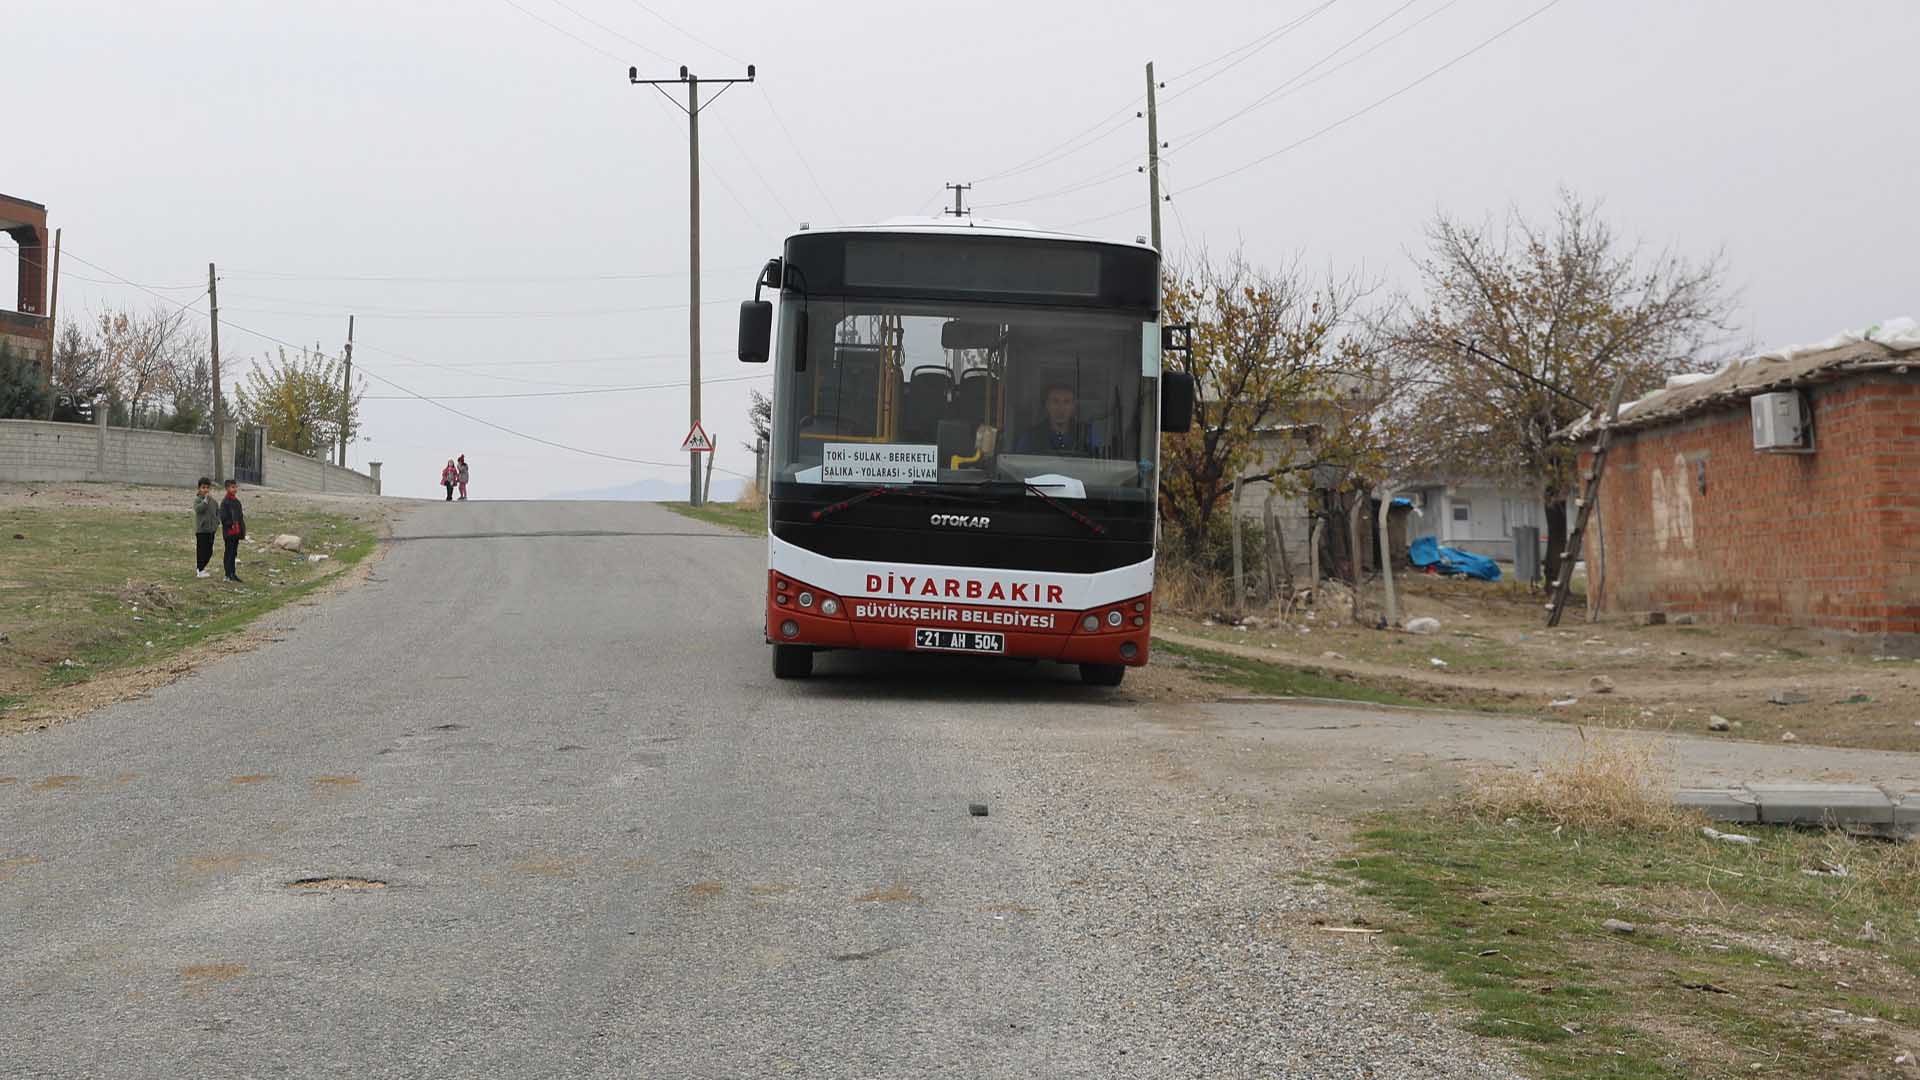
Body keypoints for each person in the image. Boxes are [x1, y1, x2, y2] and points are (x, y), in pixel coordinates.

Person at [1013, 382, 1099, 456]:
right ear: (1047, 405)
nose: (1061, 408)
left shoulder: (1087, 434)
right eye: (1055, 401)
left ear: (1073, 406)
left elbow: (1099, 465)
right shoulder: (1030, 437)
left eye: (1066, 402)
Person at [219, 479, 247, 583]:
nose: (234, 489)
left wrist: (241, 530)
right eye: (232, 487)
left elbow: (240, 517)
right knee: (229, 553)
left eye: (235, 487)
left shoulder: (236, 502)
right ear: (227, 488)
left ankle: (233, 573)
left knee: (234, 553)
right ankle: (227, 574)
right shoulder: (225, 502)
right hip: (229, 533)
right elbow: (223, 517)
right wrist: (231, 525)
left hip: (236, 533)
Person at [192, 477, 219, 579]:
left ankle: (202, 567)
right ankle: (200, 569)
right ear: (199, 488)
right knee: (201, 550)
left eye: (207, 487)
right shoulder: (198, 500)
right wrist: (205, 501)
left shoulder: (213, 501)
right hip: (201, 531)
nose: (205, 490)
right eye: (203, 487)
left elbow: (217, 511)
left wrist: (217, 522)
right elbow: (198, 509)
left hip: (211, 530)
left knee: (209, 551)